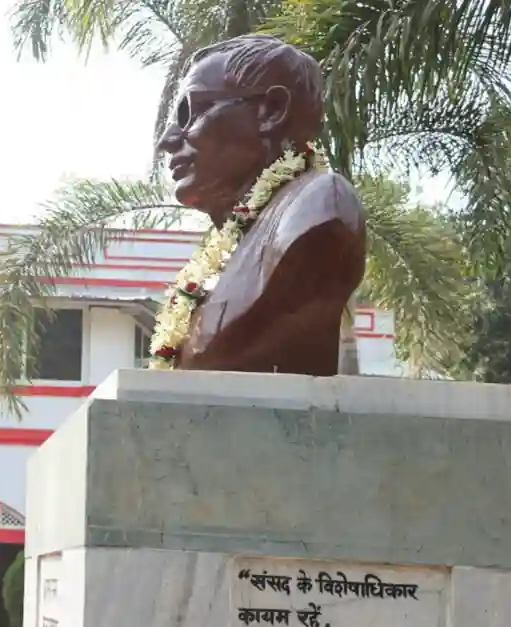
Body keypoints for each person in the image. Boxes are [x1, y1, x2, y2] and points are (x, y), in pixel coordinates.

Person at [155, 34, 366, 375]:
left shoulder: (319, 208)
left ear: (272, 111)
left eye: (189, 112)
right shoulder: (229, 246)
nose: (167, 140)